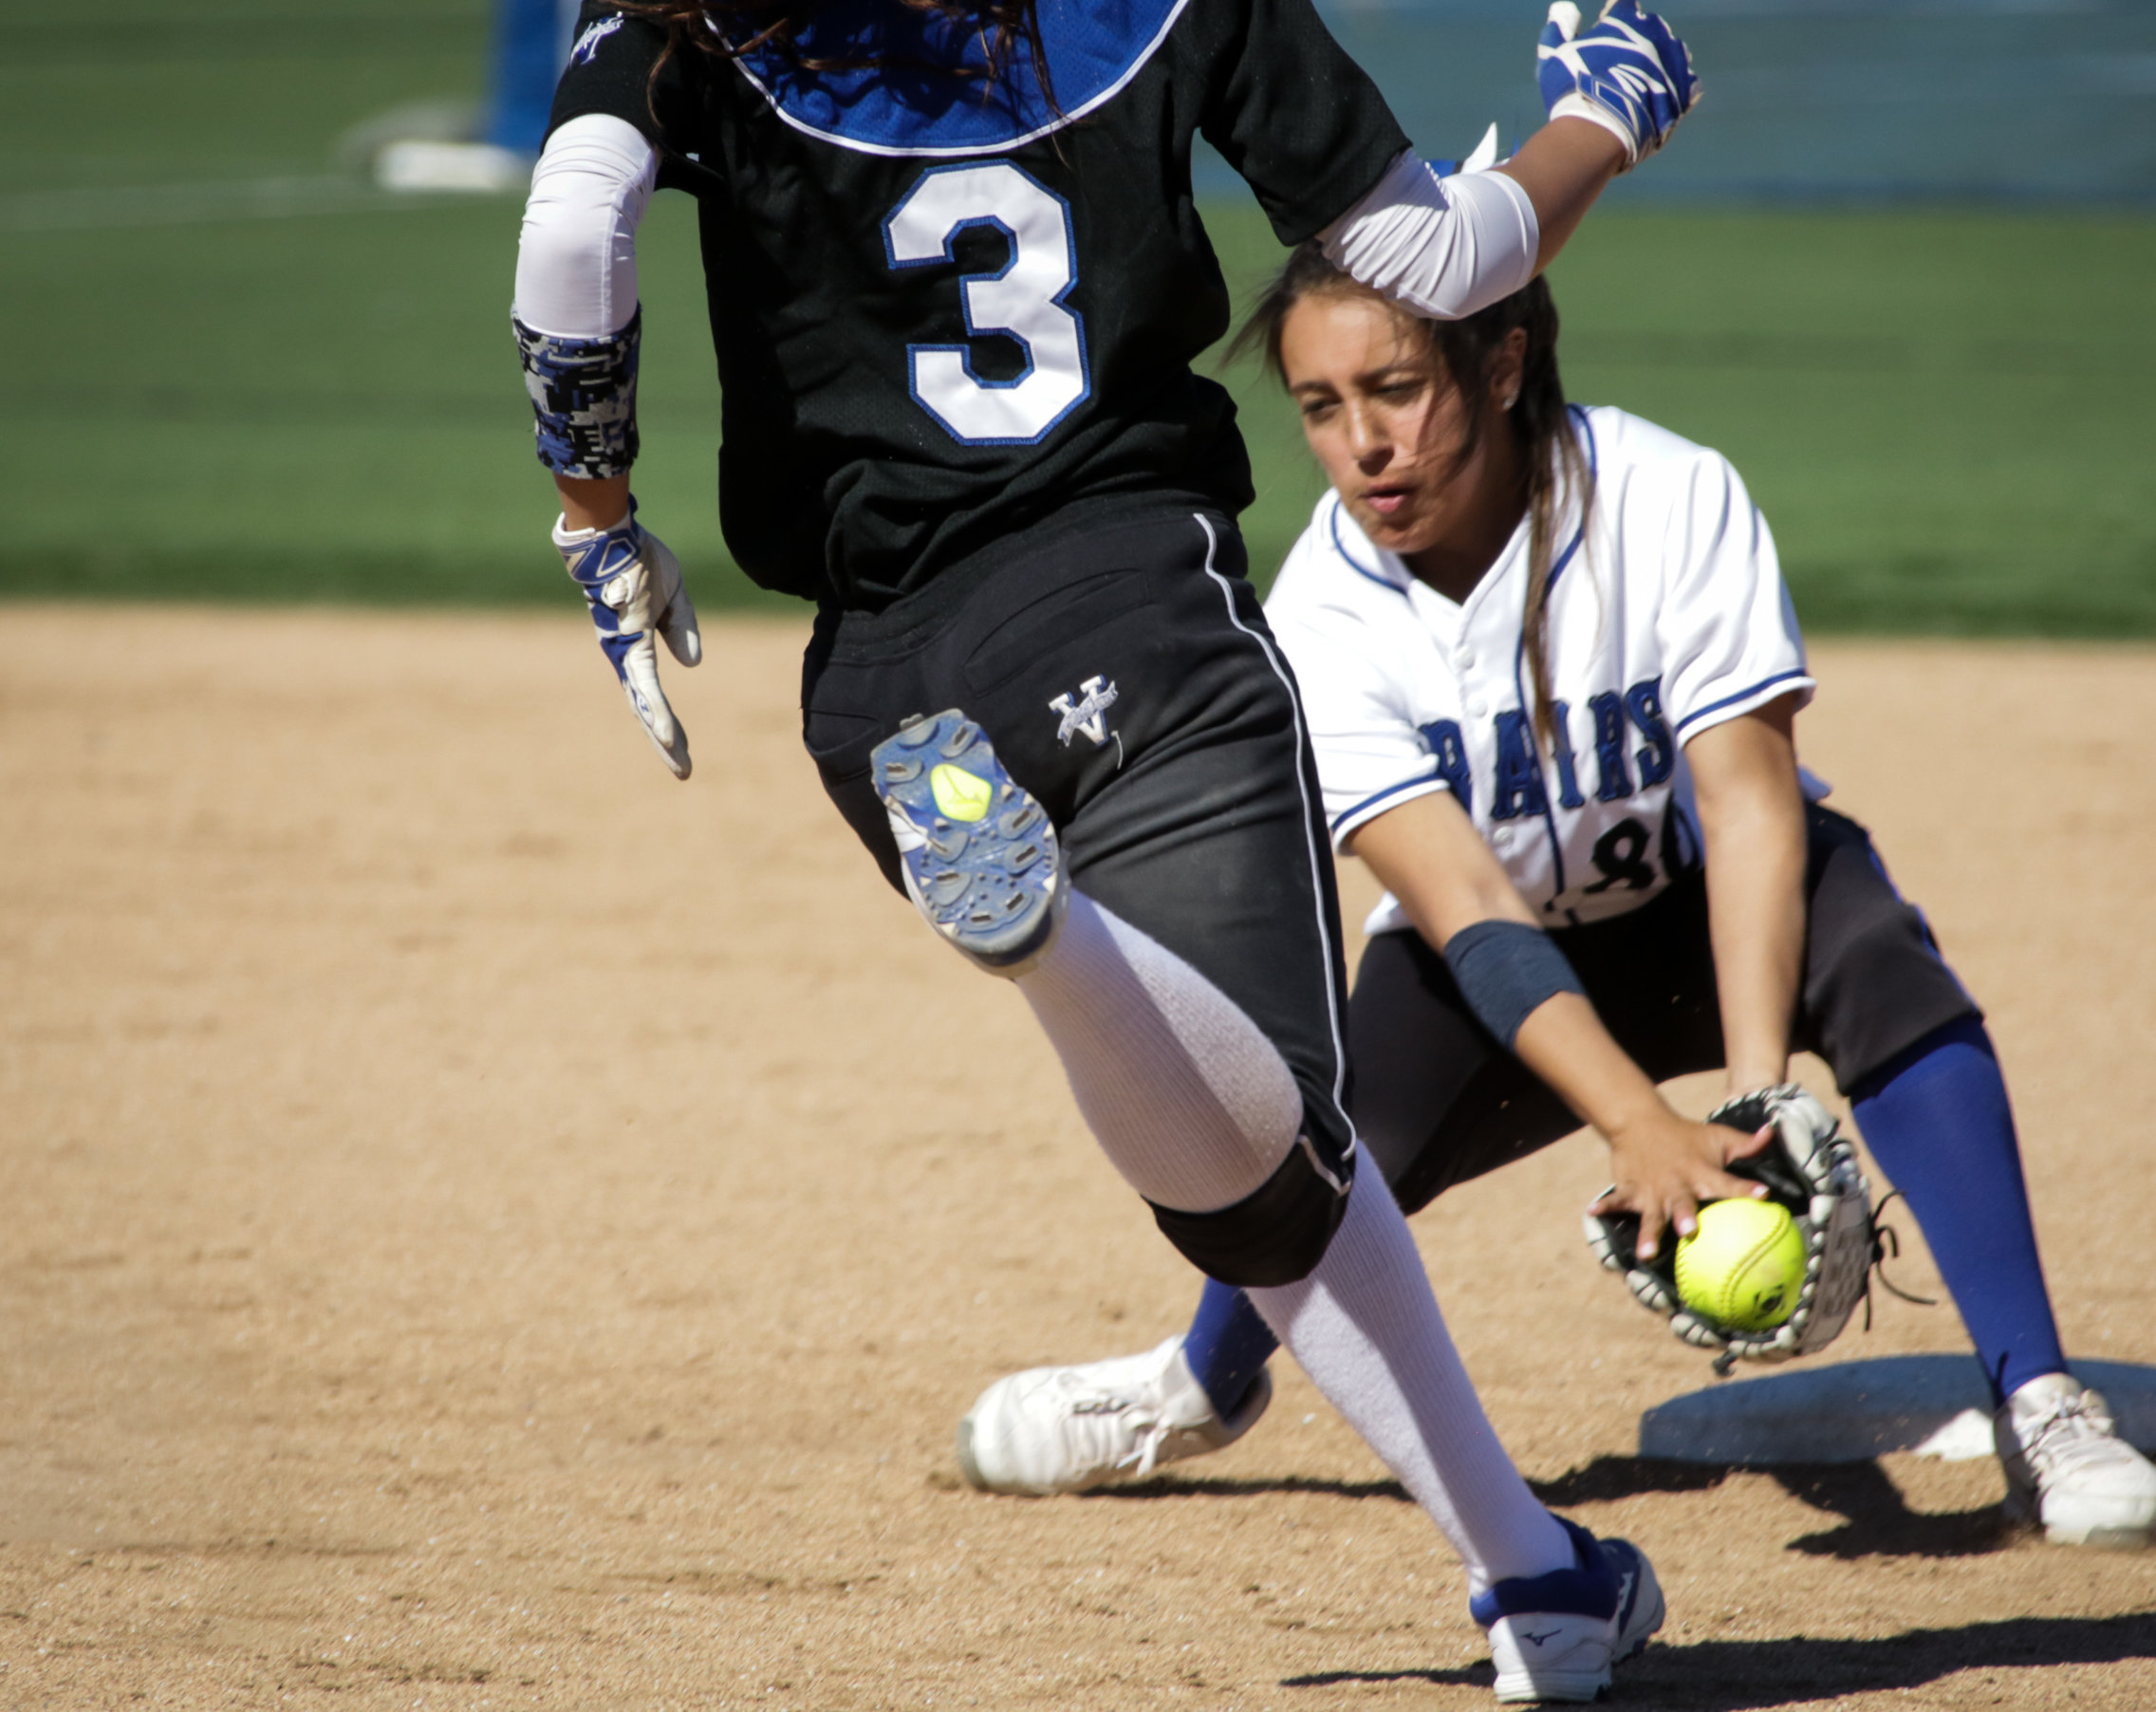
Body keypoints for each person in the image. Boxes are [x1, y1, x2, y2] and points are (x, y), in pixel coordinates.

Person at [511, 0, 1710, 1700]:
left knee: (1256, 1175)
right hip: (1136, 612)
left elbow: (573, 229)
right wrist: (1607, 115)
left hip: (883, 682)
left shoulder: (698, 14)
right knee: (1284, 1159)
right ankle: (1051, 932)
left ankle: (1539, 1579)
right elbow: (1434, 257)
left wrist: (595, 512)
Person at [953, 247, 2156, 1553]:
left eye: (1398, 386)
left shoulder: (1667, 496)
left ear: (1502, 361)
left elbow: (1752, 803)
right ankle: (1198, 1384)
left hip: (1717, 909)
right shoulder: (1315, 612)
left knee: (1876, 952)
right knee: (1308, 1130)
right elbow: (1469, 903)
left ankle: (2042, 1401)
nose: (1364, 444)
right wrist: (1637, 1125)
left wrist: (1755, 1099)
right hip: (1494, 962)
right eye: (1321, 405)